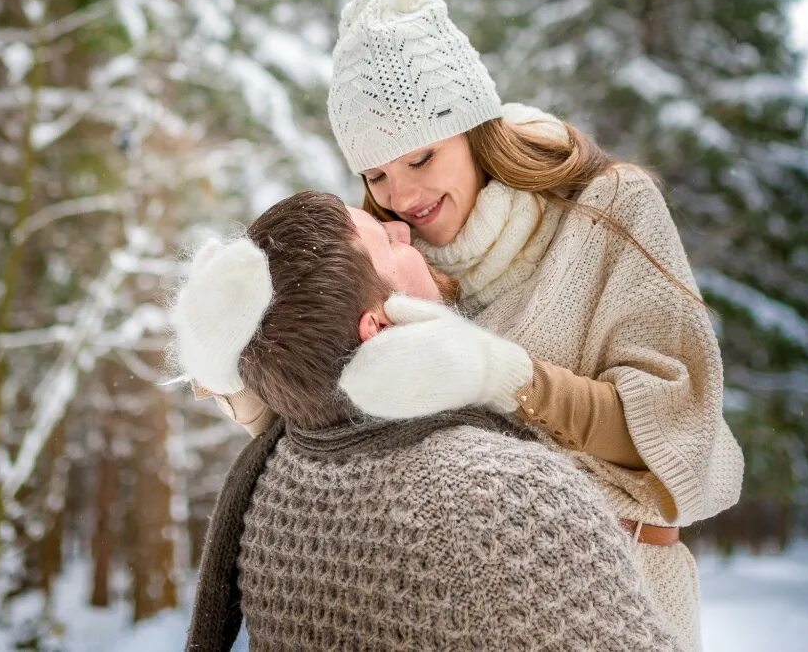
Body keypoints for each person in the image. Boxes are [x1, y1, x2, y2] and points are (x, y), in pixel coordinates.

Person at [209, 0, 745, 651]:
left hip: (625, 586)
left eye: (420, 156)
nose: (400, 195)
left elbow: (678, 438)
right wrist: (233, 368)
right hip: (457, 609)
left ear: (473, 128)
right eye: (375, 176)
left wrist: (505, 377)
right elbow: (327, 412)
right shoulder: (393, 263)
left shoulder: (607, 209)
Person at [173, 190, 682, 652]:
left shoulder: (269, 491)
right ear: (379, 325)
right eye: (385, 244)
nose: (399, 227)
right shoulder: (507, 495)